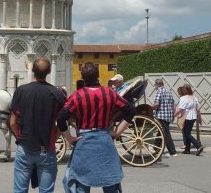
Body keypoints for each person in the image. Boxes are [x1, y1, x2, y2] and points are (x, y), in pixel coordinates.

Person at [57, 62, 135, 193]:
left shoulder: (77, 95)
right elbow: (130, 111)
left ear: (83, 78)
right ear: (98, 76)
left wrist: (69, 138)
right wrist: (117, 132)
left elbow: (60, 117)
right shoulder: (110, 93)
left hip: (84, 142)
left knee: (81, 183)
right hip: (105, 140)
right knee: (110, 182)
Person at [10, 57, 66, 193]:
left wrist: (20, 138)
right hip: (46, 148)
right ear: (49, 72)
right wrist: (55, 137)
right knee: (46, 191)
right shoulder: (57, 93)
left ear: (33, 70)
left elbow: (12, 122)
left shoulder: (21, 91)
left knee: (20, 190)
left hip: (25, 147)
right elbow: (63, 121)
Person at [174, 84, 203, 156]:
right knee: (187, 132)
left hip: (186, 117)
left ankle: (198, 146)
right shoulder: (194, 98)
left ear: (185, 90)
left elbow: (180, 109)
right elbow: (198, 109)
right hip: (193, 117)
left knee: (186, 133)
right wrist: (200, 118)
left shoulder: (183, 98)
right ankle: (187, 149)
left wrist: (173, 115)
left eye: (183, 89)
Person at [152, 79, 178, 158]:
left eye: (155, 85)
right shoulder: (168, 91)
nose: (155, 87)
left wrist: (150, 108)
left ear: (157, 85)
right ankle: (155, 147)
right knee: (161, 131)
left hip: (161, 115)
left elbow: (156, 104)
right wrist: (173, 114)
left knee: (166, 133)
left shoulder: (159, 91)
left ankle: (173, 151)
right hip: (168, 115)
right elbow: (173, 104)